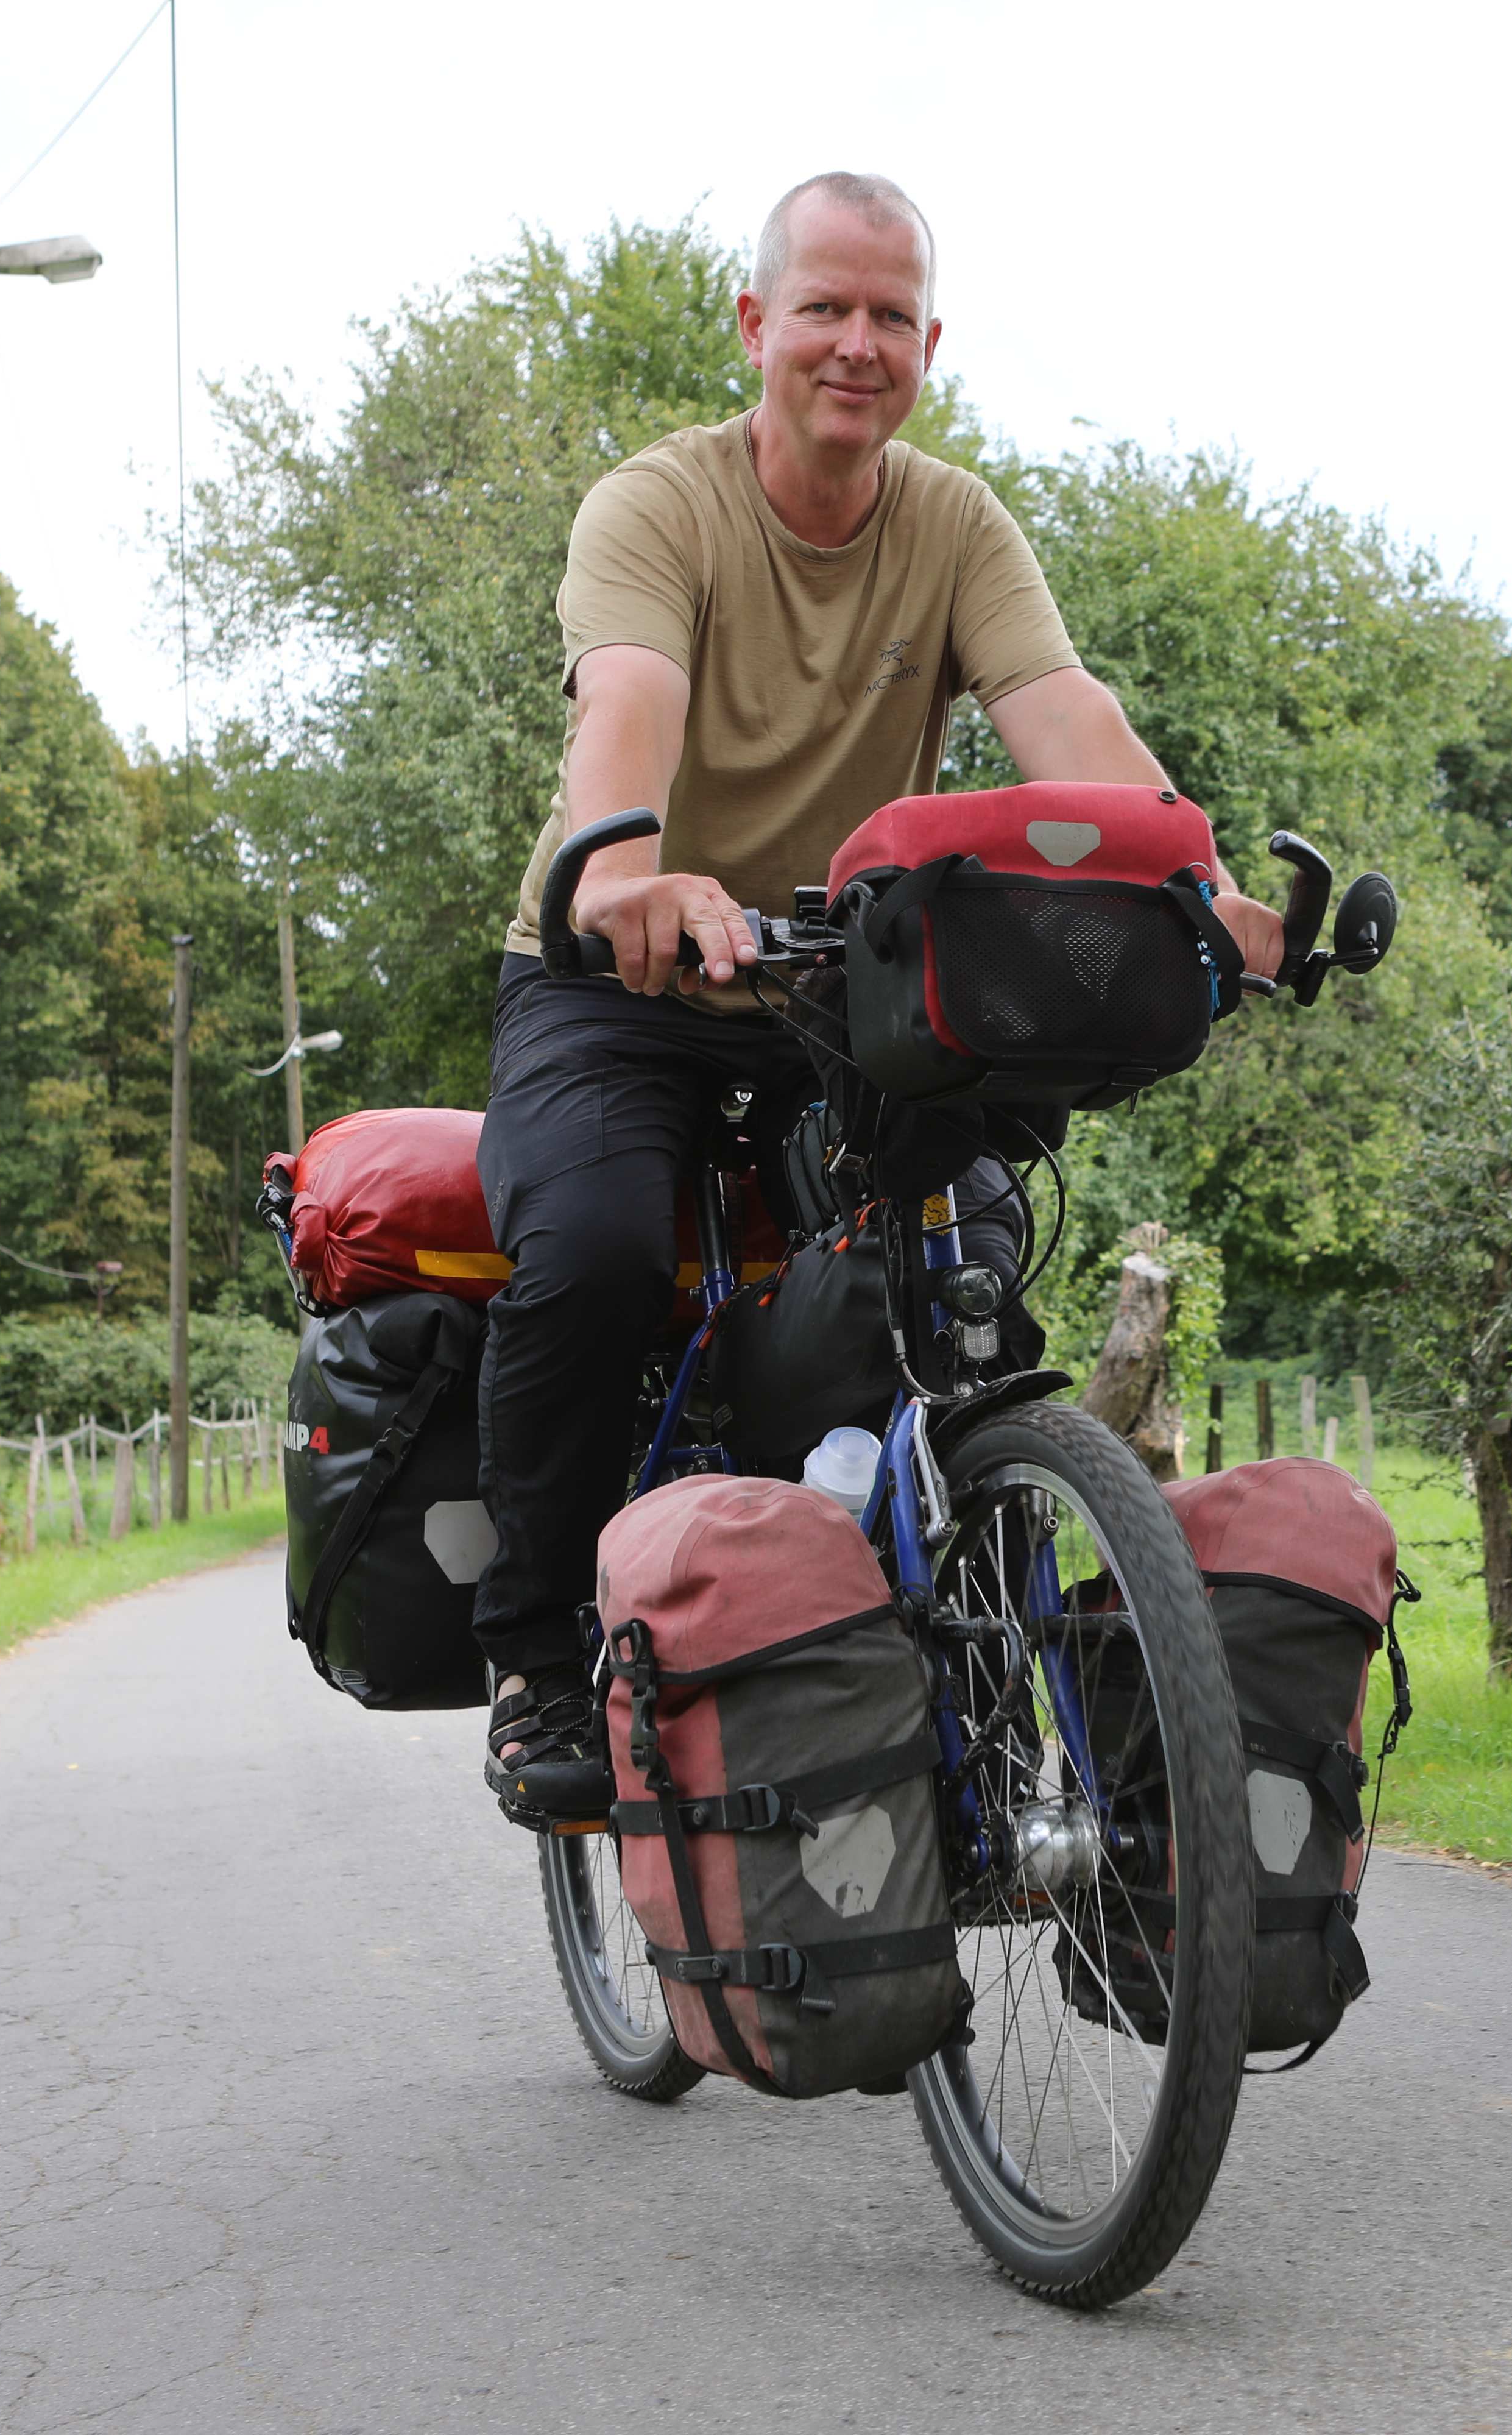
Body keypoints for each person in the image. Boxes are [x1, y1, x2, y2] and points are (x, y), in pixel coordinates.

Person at [473, 169, 1287, 1823]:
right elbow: (628, 704)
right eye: (825, 309)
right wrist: (629, 876)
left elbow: (1066, 719)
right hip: (620, 976)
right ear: (755, 324)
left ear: (929, 344)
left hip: (838, 989)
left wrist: (1202, 890)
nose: (857, 344)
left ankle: (970, 1666)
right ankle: (537, 1662)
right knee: (597, 1249)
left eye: (891, 317)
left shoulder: (954, 525)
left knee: (967, 1282)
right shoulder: (660, 505)